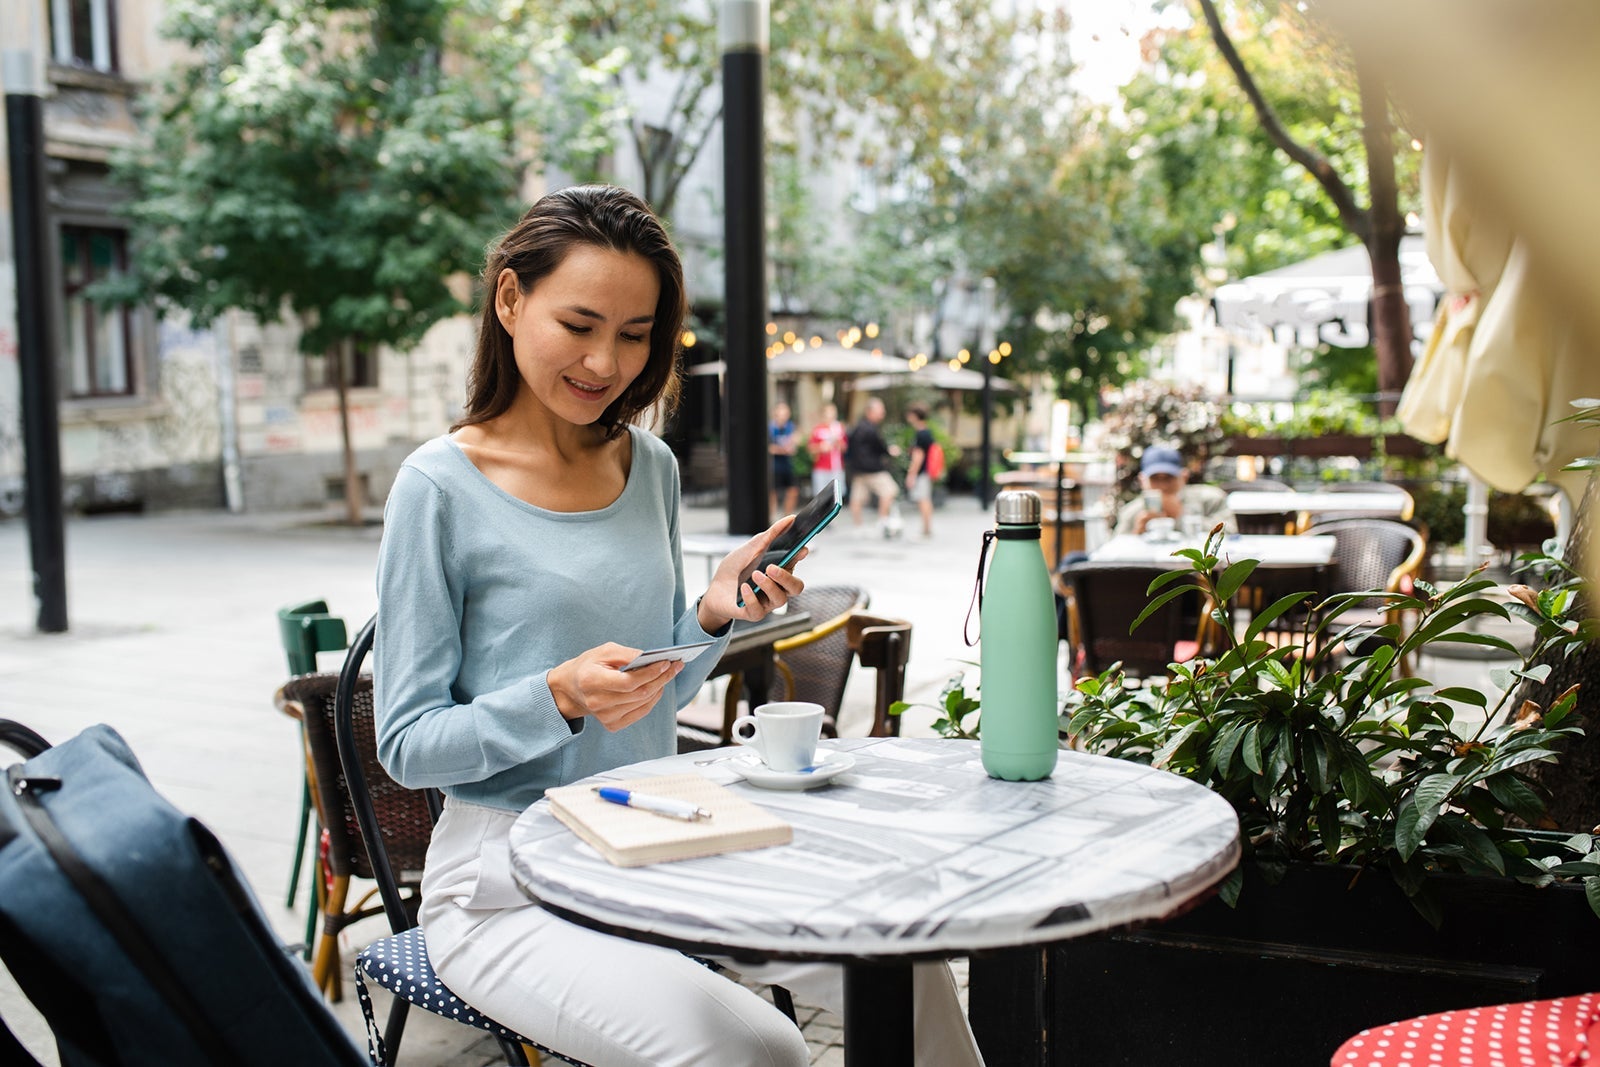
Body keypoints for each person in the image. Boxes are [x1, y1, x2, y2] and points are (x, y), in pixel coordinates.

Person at [372, 185, 982, 1067]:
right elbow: (408, 743)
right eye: (579, 324)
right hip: (505, 878)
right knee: (759, 1050)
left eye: (634, 333)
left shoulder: (648, 466)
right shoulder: (436, 488)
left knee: (901, 962)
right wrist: (557, 695)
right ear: (510, 300)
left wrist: (708, 613)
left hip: (658, 830)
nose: (604, 361)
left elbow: (659, 679)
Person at [1113, 445, 1236, 536]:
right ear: (1142, 480)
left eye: (1169, 478)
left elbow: (1231, 535)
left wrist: (1180, 516)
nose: (1163, 486)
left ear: (1184, 476)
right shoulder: (1131, 512)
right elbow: (1113, 555)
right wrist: (1136, 534)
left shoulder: (1211, 499)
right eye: (1154, 479)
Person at [846, 397, 900, 536]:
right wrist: (890, 451)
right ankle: (882, 521)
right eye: (880, 410)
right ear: (870, 411)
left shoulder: (857, 427)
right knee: (890, 491)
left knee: (857, 499)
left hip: (859, 469)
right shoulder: (870, 429)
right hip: (873, 470)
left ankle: (858, 526)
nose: (883, 413)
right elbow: (880, 447)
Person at [904, 404, 938, 539]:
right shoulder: (927, 432)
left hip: (921, 472)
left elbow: (919, 456)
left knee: (923, 499)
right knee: (925, 499)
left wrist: (911, 474)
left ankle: (926, 529)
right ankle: (926, 528)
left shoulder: (921, 433)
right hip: (926, 471)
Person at [806, 402, 847, 498]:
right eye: (828, 413)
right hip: (821, 468)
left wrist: (837, 442)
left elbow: (844, 448)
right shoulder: (817, 429)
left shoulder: (839, 428)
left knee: (836, 496)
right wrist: (820, 447)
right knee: (821, 496)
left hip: (836, 467)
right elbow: (810, 448)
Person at [768, 400, 800, 518]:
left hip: (788, 465)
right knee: (772, 493)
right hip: (774, 465)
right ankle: (771, 518)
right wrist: (782, 450)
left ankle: (787, 518)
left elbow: (795, 443)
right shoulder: (769, 428)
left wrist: (793, 445)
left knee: (793, 490)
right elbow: (768, 448)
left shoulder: (791, 427)